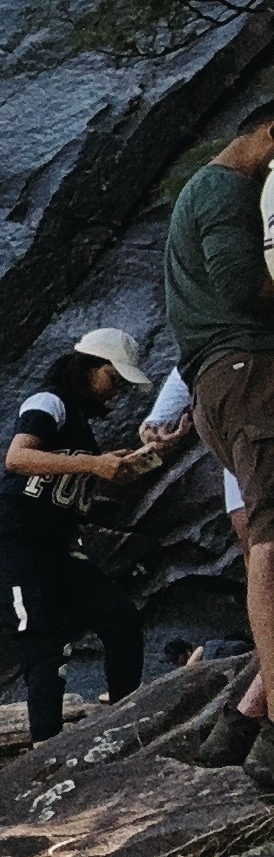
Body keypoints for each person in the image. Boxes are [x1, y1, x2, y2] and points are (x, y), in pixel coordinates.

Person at [164, 103, 274, 796]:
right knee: (273, 543)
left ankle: (242, 719)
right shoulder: (227, 190)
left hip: (218, 384)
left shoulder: (197, 196)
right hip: (252, 376)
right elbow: (242, 283)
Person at [0, 327, 156, 740]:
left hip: (57, 547)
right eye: (114, 379)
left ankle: (124, 725)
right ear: (87, 366)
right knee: (43, 643)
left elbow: (70, 479)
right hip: (13, 543)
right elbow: (18, 457)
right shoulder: (48, 402)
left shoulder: (82, 431)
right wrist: (92, 465)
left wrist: (118, 466)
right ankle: (45, 750)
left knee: (121, 620)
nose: (117, 392)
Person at [139, 364, 267, 763]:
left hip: (240, 439)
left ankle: (241, 723)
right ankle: (247, 727)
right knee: (265, 565)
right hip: (254, 437)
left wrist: (159, 417)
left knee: (262, 568)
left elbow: (193, 356)